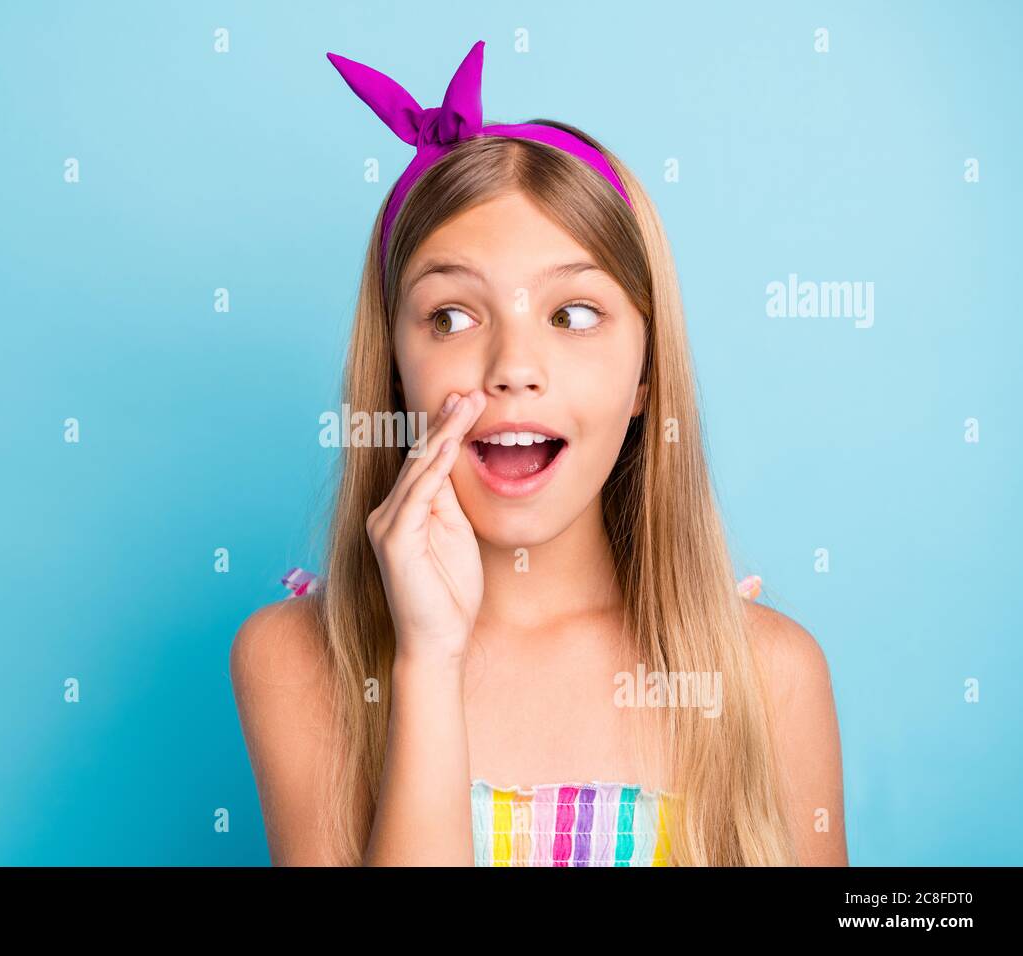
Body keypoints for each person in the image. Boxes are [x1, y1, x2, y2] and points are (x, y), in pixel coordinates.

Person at [231, 40, 846, 867]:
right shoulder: (298, 660)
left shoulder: (766, 676)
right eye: (451, 317)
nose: (514, 369)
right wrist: (427, 660)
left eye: (575, 315)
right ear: (394, 371)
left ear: (645, 378)